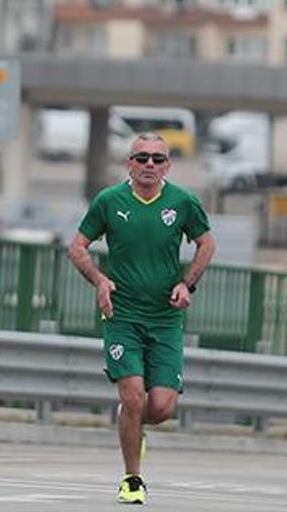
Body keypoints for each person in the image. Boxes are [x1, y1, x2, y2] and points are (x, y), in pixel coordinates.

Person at [67, 132, 216, 505]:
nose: (150, 164)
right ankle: (132, 479)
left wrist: (188, 284)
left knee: (161, 407)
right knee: (133, 397)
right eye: (142, 157)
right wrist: (99, 280)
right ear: (128, 163)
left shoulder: (183, 202)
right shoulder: (109, 201)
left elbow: (207, 243)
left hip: (165, 318)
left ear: (168, 165)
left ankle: (131, 425)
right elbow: (77, 247)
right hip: (123, 315)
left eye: (158, 159)